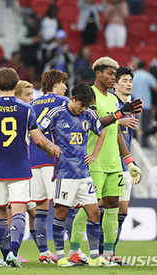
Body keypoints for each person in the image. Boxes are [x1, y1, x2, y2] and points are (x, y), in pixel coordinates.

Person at [0, 67, 59, 267]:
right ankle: (13, 252)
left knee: (1, 214)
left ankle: (5, 256)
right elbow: (38, 140)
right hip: (20, 168)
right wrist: (48, 151)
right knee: (19, 211)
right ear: (15, 85)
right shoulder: (26, 108)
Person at [69, 57, 143, 264]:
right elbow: (91, 123)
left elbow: (116, 130)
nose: (114, 78)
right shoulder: (89, 96)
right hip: (93, 162)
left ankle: (108, 255)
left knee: (112, 205)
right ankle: (74, 251)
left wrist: (128, 160)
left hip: (113, 163)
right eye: (110, 74)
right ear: (98, 73)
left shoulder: (112, 99)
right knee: (89, 207)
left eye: (115, 74)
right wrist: (119, 114)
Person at [38, 82, 109, 266]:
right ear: (73, 99)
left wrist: (94, 154)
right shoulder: (57, 113)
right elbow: (37, 130)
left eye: (86, 106)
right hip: (64, 173)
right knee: (61, 212)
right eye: (81, 105)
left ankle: (95, 257)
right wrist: (50, 145)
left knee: (94, 213)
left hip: (84, 175)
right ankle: (61, 256)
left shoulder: (89, 114)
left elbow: (102, 133)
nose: (83, 109)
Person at [29, 69, 69, 264]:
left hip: (34, 161)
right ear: (55, 84)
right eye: (63, 83)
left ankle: (44, 252)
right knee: (65, 205)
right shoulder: (64, 103)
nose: (66, 87)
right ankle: (69, 251)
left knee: (41, 207)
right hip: (54, 159)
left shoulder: (32, 104)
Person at [112, 66, 139, 259]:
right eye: (124, 80)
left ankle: (111, 252)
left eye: (130, 80)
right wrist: (116, 120)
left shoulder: (132, 107)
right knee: (103, 209)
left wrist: (132, 164)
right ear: (115, 83)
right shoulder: (109, 102)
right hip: (108, 164)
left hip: (124, 165)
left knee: (122, 211)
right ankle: (98, 252)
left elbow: (127, 140)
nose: (129, 84)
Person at [13, 80, 40, 263]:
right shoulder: (22, 114)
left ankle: (43, 251)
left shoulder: (27, 114)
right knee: (15, 211)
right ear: (17, 97)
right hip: (14, 171)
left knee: (32, 212)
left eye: (32, 94)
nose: (31, 98)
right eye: (27, 95)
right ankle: (11, 252)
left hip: (24, 169)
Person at [131, 61, 157, 147]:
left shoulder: (132, 76)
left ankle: (134, 145)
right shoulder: (148, 76)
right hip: (145, 106)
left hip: (132, 106)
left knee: (133, 125)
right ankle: (143, 144)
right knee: (144, 126)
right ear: (145, 67)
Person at [39, 4, 62, 74]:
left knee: (52, 63)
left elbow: (60, 32)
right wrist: (44, 40)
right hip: (44, 45)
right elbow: (39, 32)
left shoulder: (57, 21)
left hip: (53, 45)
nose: (54, 13)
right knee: (43, 62)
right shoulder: (43, 20)